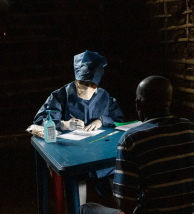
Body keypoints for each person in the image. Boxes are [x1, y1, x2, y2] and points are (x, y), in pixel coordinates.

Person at [77, 75, 194, 214]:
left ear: (138, 104)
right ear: (172, 103)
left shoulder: (131, 139)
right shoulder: (191, 128)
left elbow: (125, 206)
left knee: (86, 210)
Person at [33, 50, 125, 202]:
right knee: (76, 178)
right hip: (71, 152)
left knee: (115, 170)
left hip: (100, 150)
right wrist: (63, 124)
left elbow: (119, 119)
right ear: (76, 80)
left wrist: (102, 120)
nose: (88, 89)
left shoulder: (104, 96)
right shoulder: (61, 95)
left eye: (93, 85)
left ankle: (117, 209)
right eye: (84, 84)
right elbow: (40, 121)